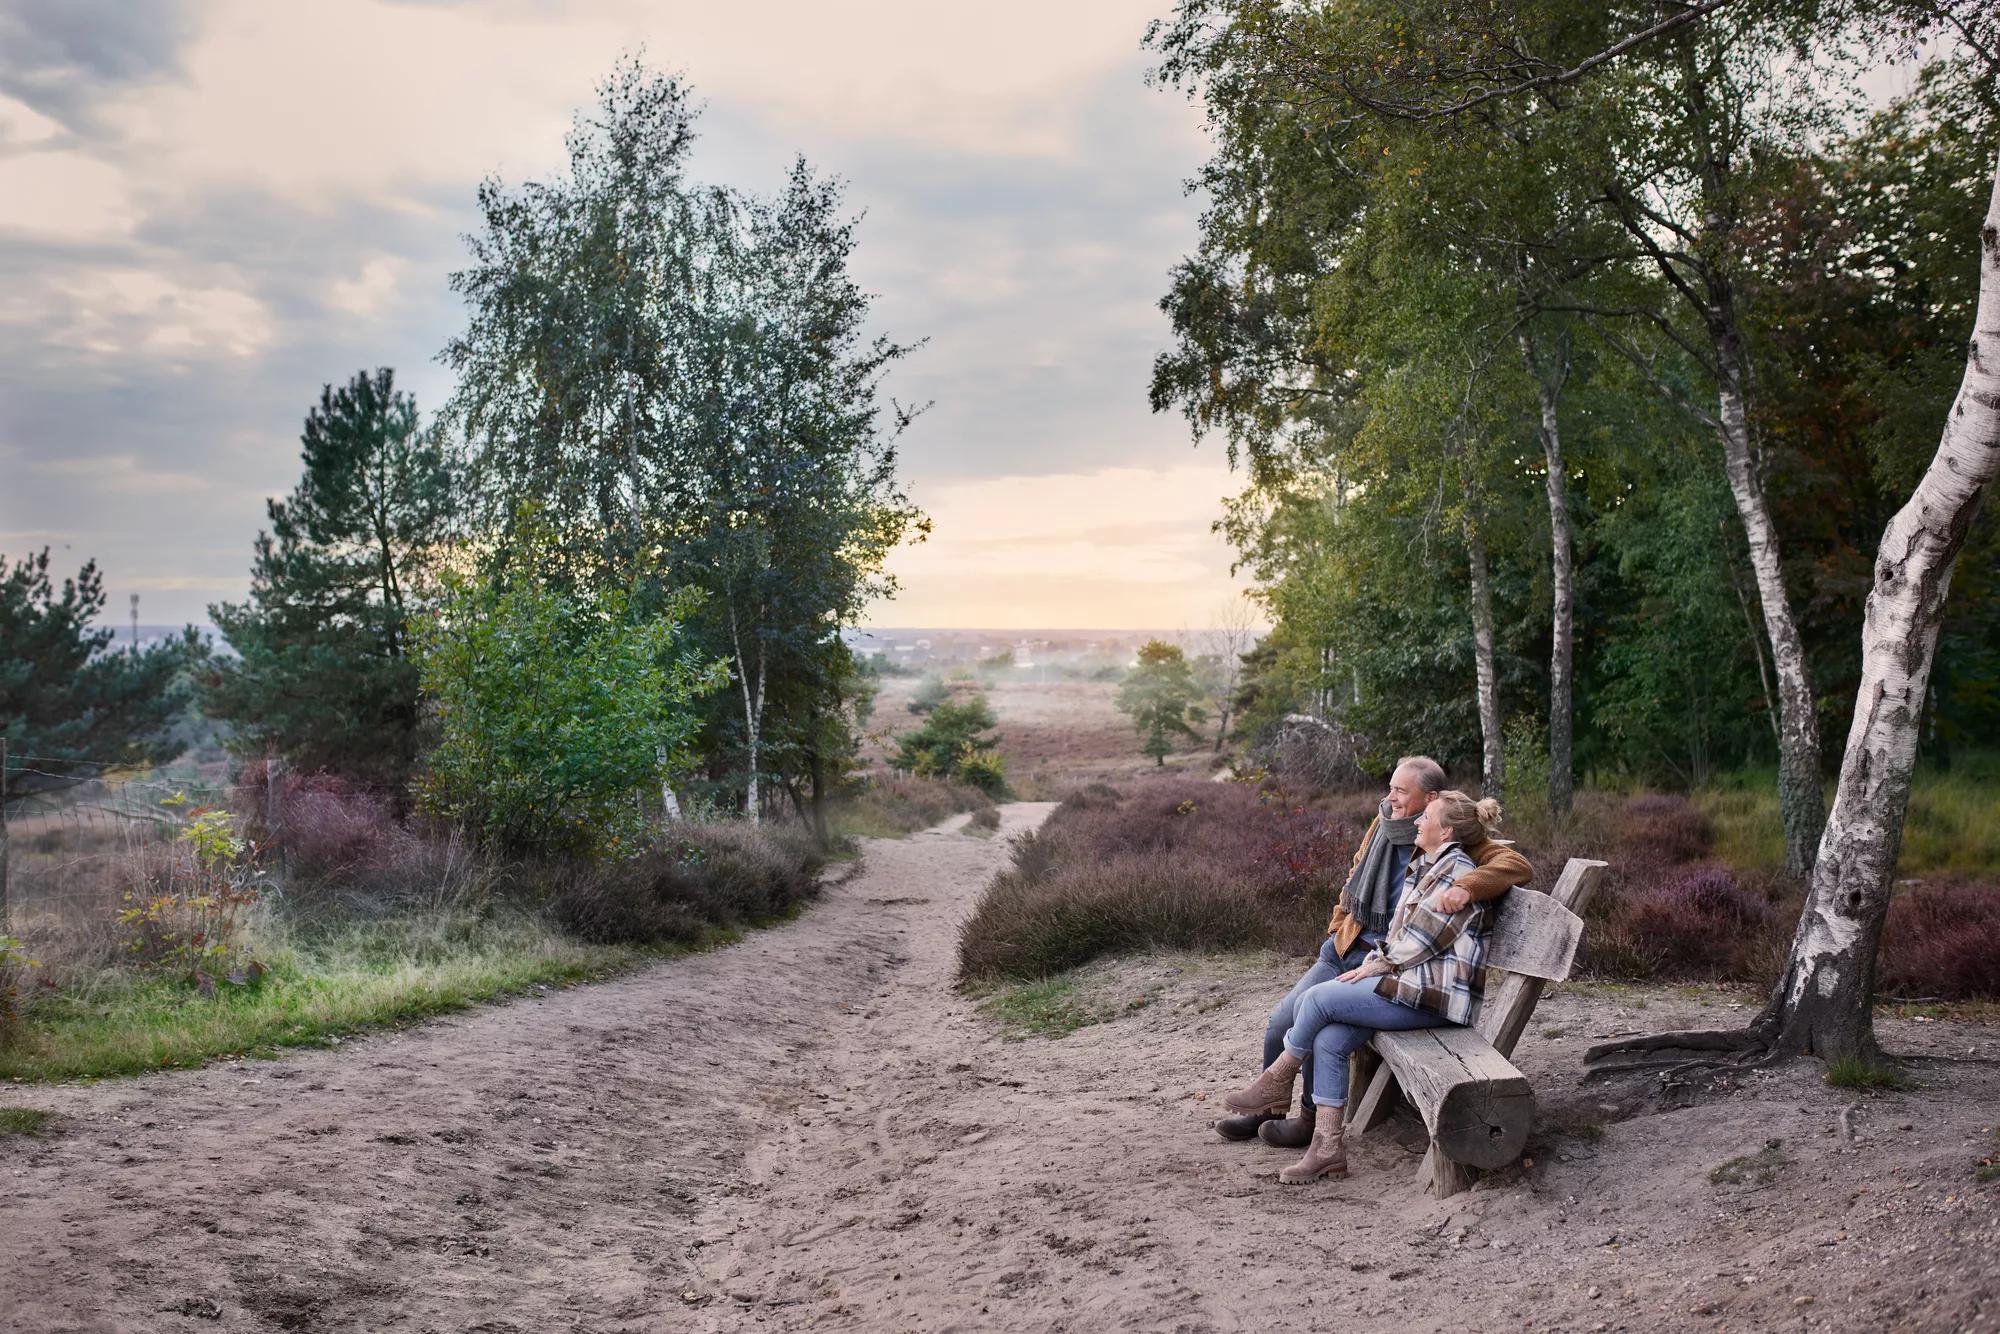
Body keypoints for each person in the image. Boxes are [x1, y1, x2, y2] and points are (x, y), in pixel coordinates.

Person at [1214, 757, 1530, 1148]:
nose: (1390, 797)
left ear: (1429, 799)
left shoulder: (1449, 835)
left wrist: (1468, 886)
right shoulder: (1384, 822)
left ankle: (1309, 1122)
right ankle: (1267, 1110)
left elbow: (1514, 863)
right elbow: (1356, 872)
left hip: (1392, 965)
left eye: (1401, 791)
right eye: (1391, 787)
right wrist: (1338, 922)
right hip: (1349, 948)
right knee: (1283, 1019)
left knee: (1313, 1012)